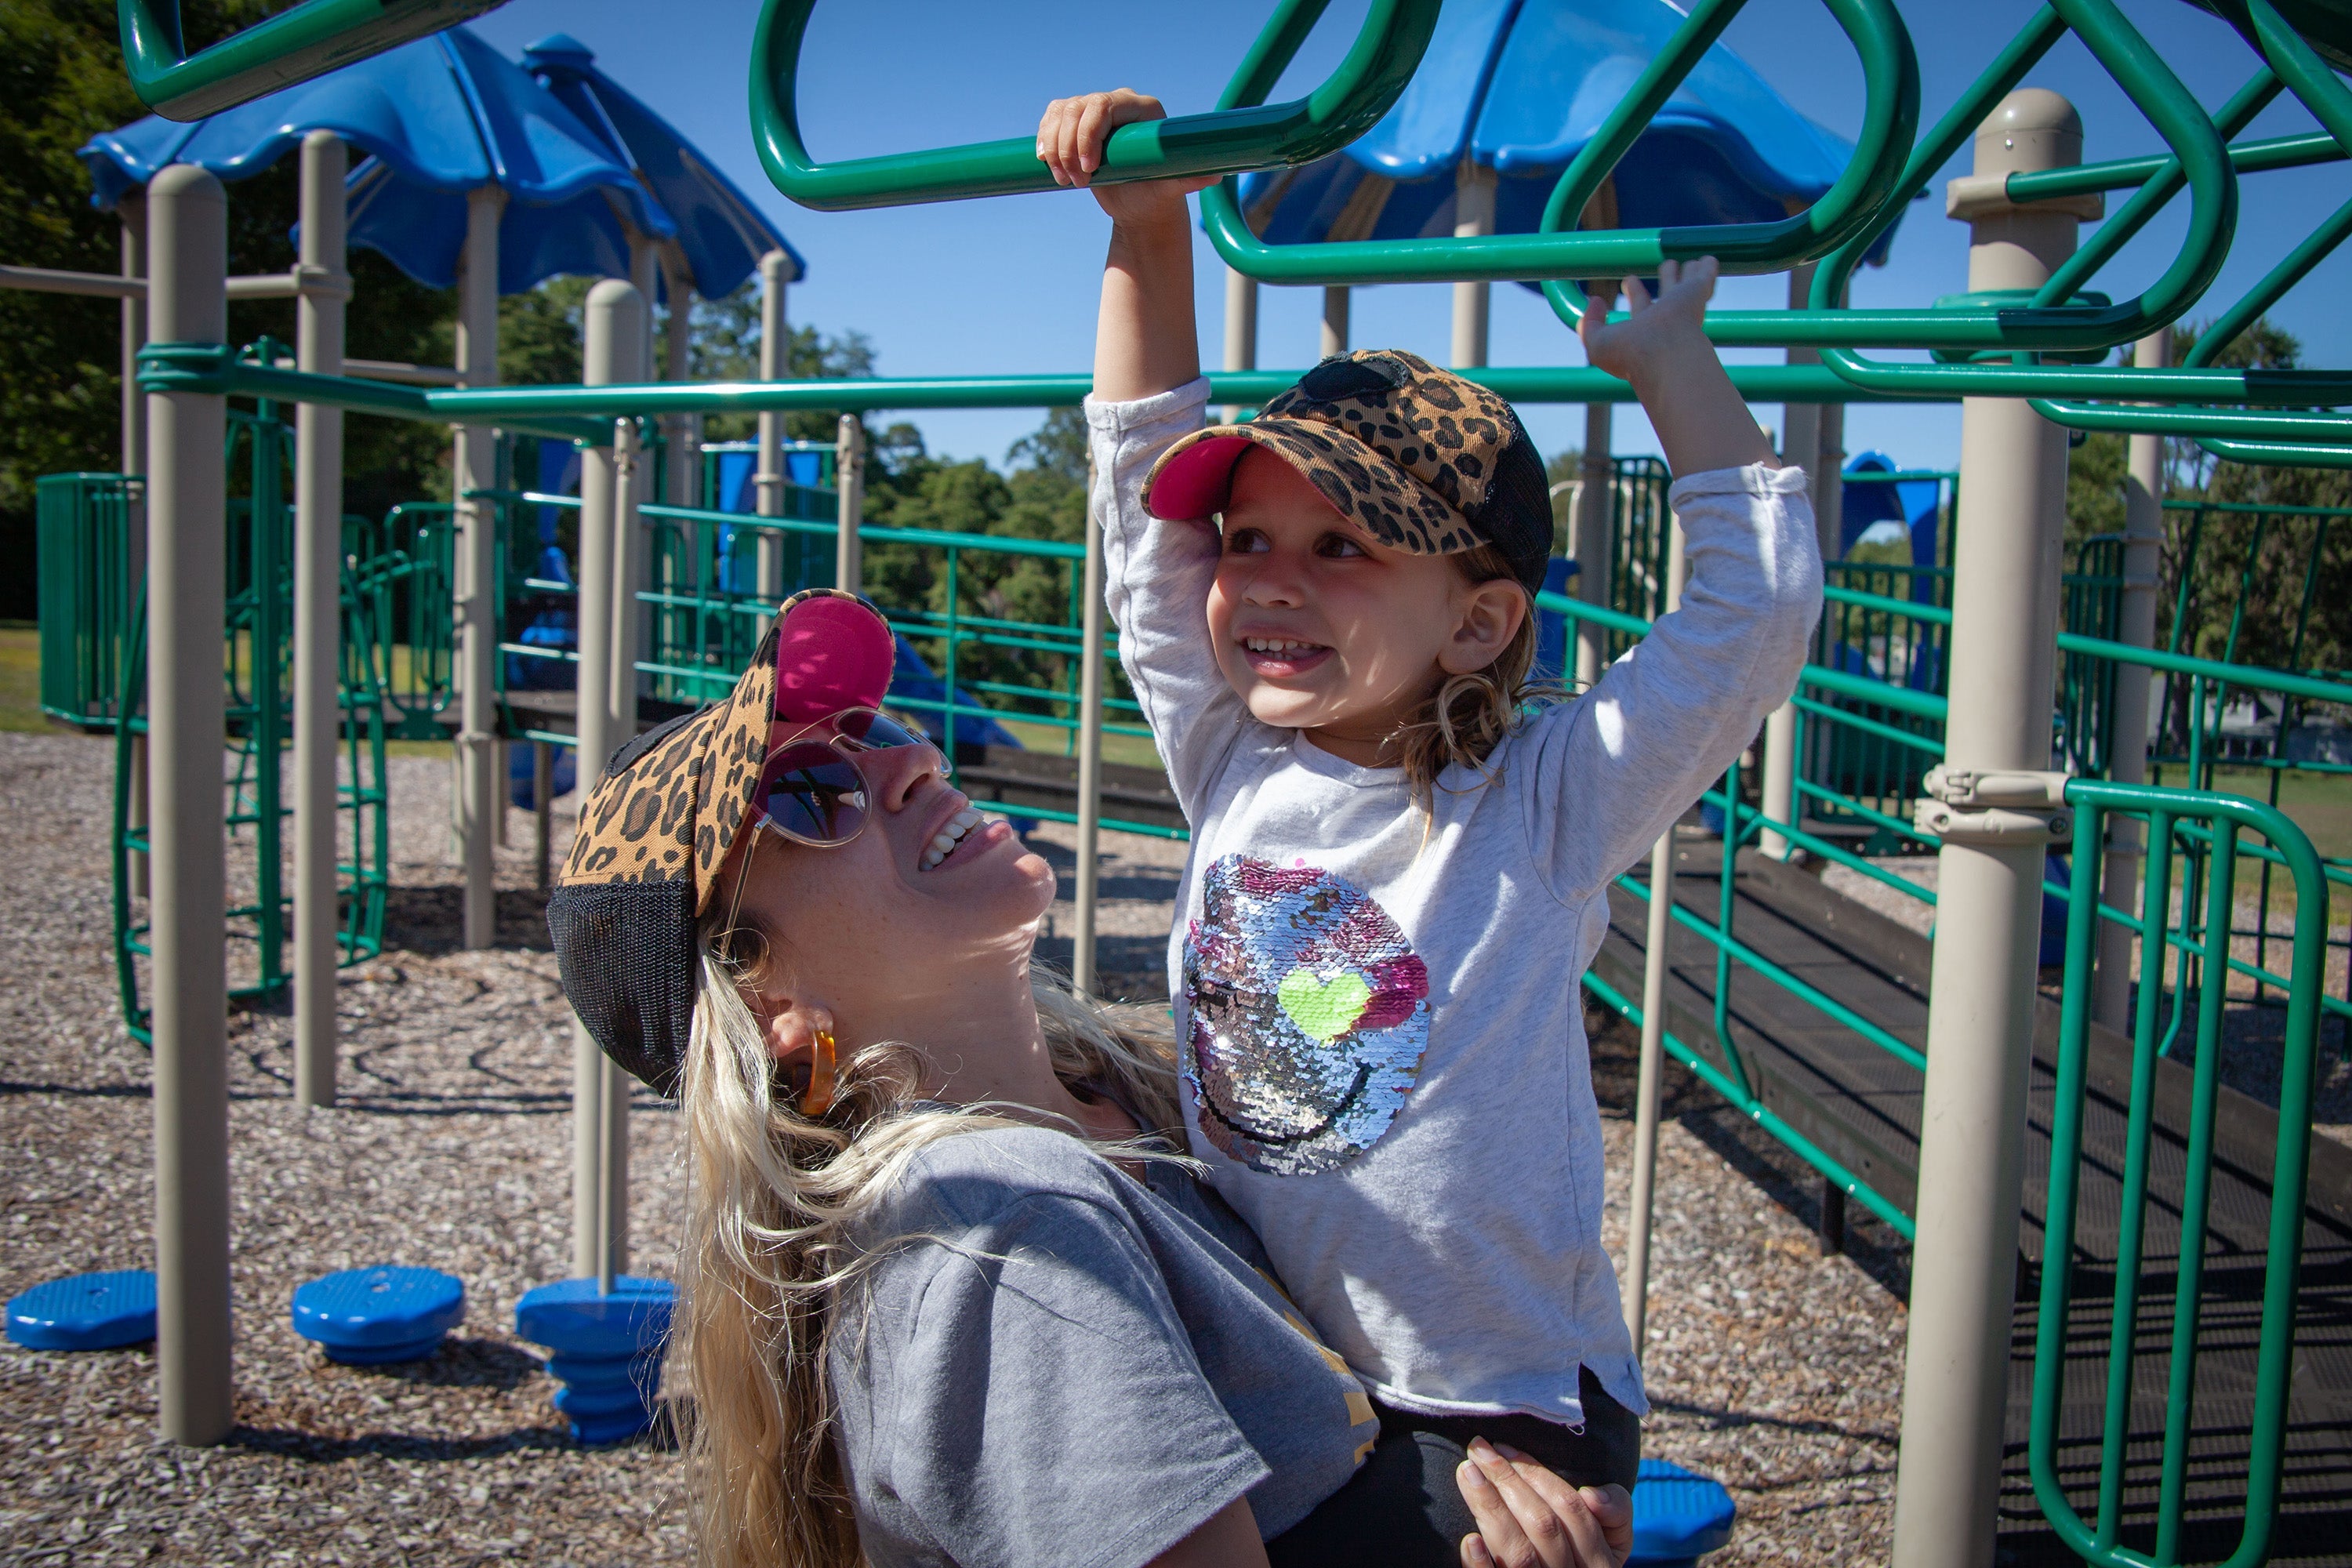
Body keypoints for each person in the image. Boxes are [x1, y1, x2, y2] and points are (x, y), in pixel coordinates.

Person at [1038, 87, 1822, 1516]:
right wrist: (1149, 229)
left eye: (1342, 546)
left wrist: (1668, 364)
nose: (1270, 576)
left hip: (1500, 1400)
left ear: (1476, 622)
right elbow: (1140, 497)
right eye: (1253, 536)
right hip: (1281, 1357)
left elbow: (1749, 613)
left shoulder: (1536, 803)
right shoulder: (1229, 752)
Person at [546, 589, 1638, 1568]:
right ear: (768, 1004)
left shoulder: (1145, 1101)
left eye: (876, 731)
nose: (909, 763)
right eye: (816, 791)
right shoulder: (999, 1230)